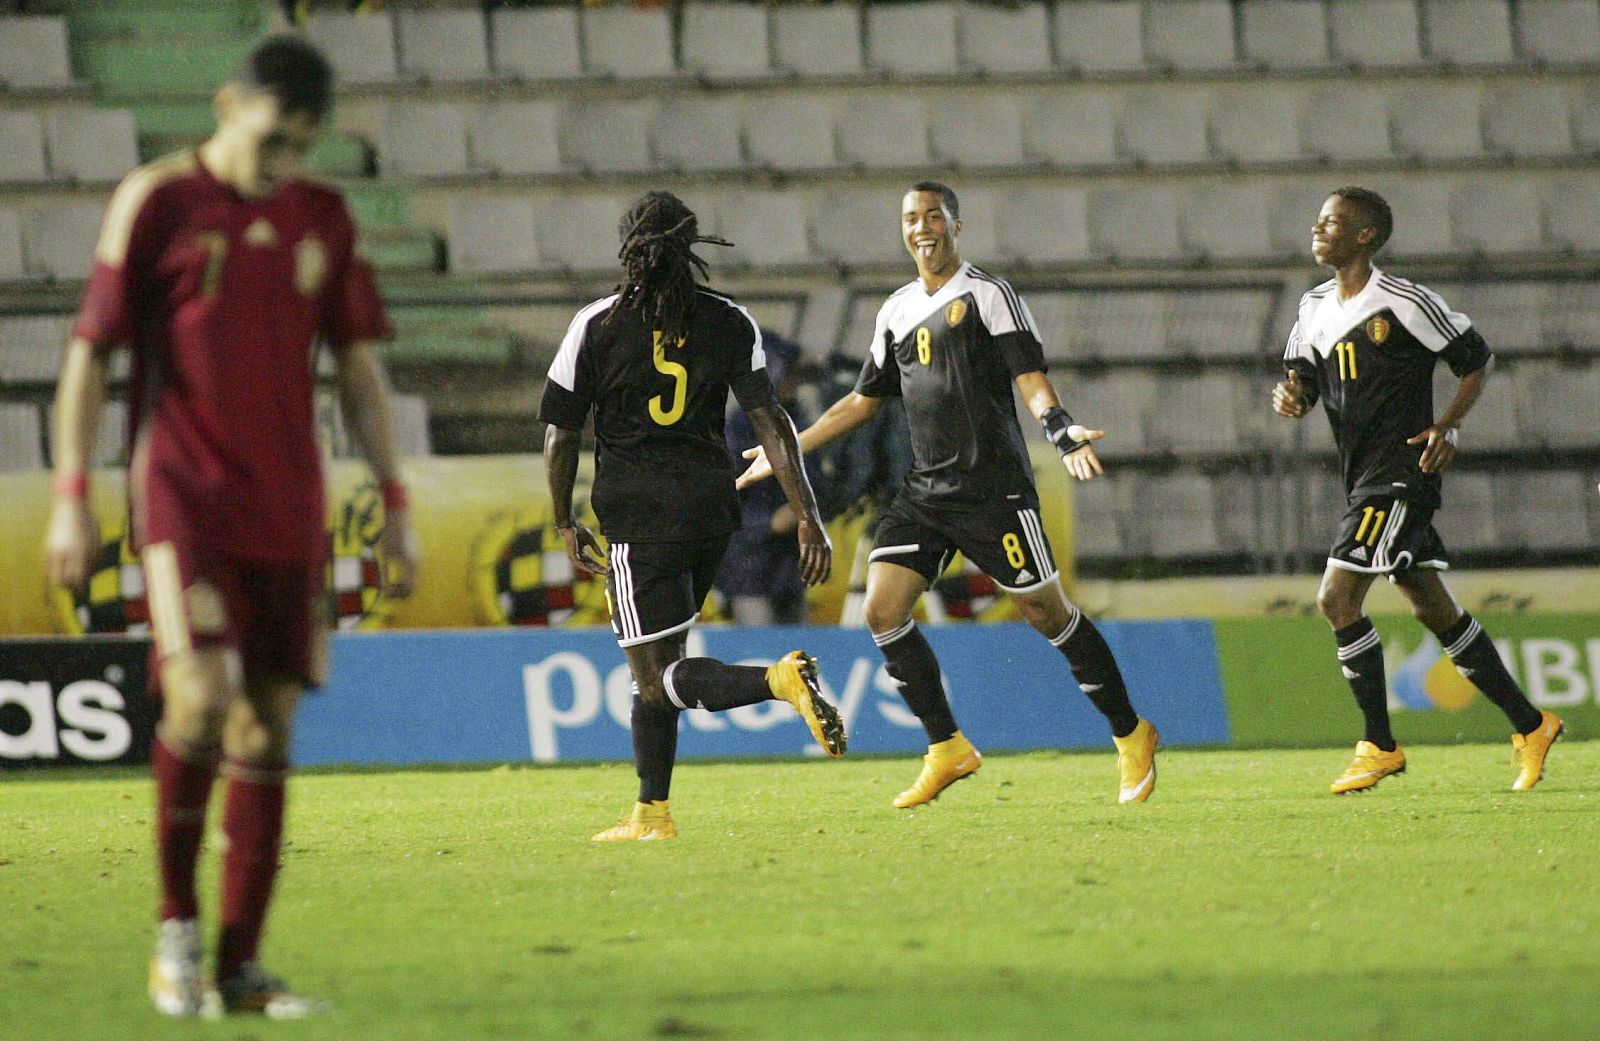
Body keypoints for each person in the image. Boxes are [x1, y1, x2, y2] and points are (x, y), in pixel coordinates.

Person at [43, 36, 417, 1018]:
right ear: (224, 104)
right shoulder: (157, 201)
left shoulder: (320, 218)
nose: (277, 162)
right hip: (184, 495)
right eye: (266, 137)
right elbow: (90, 358)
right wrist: (73, 493)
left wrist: (396, 501)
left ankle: (241, 968)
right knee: (201, 696)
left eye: (296, 146)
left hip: (290, 503)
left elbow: (359, 373)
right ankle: (176, 934)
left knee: (267, 724)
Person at [739, 181, 1159, 809]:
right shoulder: (896, 310)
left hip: (995, 493)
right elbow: (862, 400)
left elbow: (1030, 378)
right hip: (928, 492)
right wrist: (790, 446)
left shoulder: (988, 296)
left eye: (934, 215)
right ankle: (946, 747)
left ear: (955, 228)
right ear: (903, 230)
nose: (922, 226)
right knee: (882, 610)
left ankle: (1132, 733)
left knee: (1047, 614)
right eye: (911, 217)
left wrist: (1061, 428)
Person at [539, 190, 845, 843]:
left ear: (627, 250)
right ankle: (653, 813)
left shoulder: (595, 325)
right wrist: (807, 512)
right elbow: (772, 422)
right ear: (693, 247)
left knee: (653, 677)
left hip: (639, 517)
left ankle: (781, 678)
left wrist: (564, 518)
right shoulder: (730, 321)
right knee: (664, 667)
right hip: (711, 512)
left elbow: (560, 434)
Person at [1272, 186, 1562, 795]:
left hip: (1401, 474)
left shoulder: (1404, 301)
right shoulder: (1314, 305)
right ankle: (1531, 725)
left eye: (1332, 222)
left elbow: (1476, 359)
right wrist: (1291, 397)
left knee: (1336, 599)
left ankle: (1378, 744)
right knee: (1433, 607)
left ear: (1365, 236)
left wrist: (1450, 422)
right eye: (1318, 220)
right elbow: (1299, 379)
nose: (1317, 230)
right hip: (1362, 478)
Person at [717, 329, 825, 626]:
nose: (795, 382)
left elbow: (818, 483)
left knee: (798, 650)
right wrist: (770, 523)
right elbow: (721, 503)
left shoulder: (800, 425)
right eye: (788, 373)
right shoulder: (736, 432)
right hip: (749, 566)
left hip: (792, 563)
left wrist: (806, 507)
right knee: (761, 650)